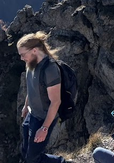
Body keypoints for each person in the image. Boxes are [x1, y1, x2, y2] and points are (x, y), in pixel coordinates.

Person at [17, 32, 73, 163]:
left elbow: (55, 102)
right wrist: (26, 106)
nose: (21, 58)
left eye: (23, 54)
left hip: (43, 118)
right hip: (32, 114)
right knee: (25, 150)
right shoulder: (31, 64)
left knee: (33, 158)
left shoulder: (50, 69)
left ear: (34, 50)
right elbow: (32, 88)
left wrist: (44, 128)